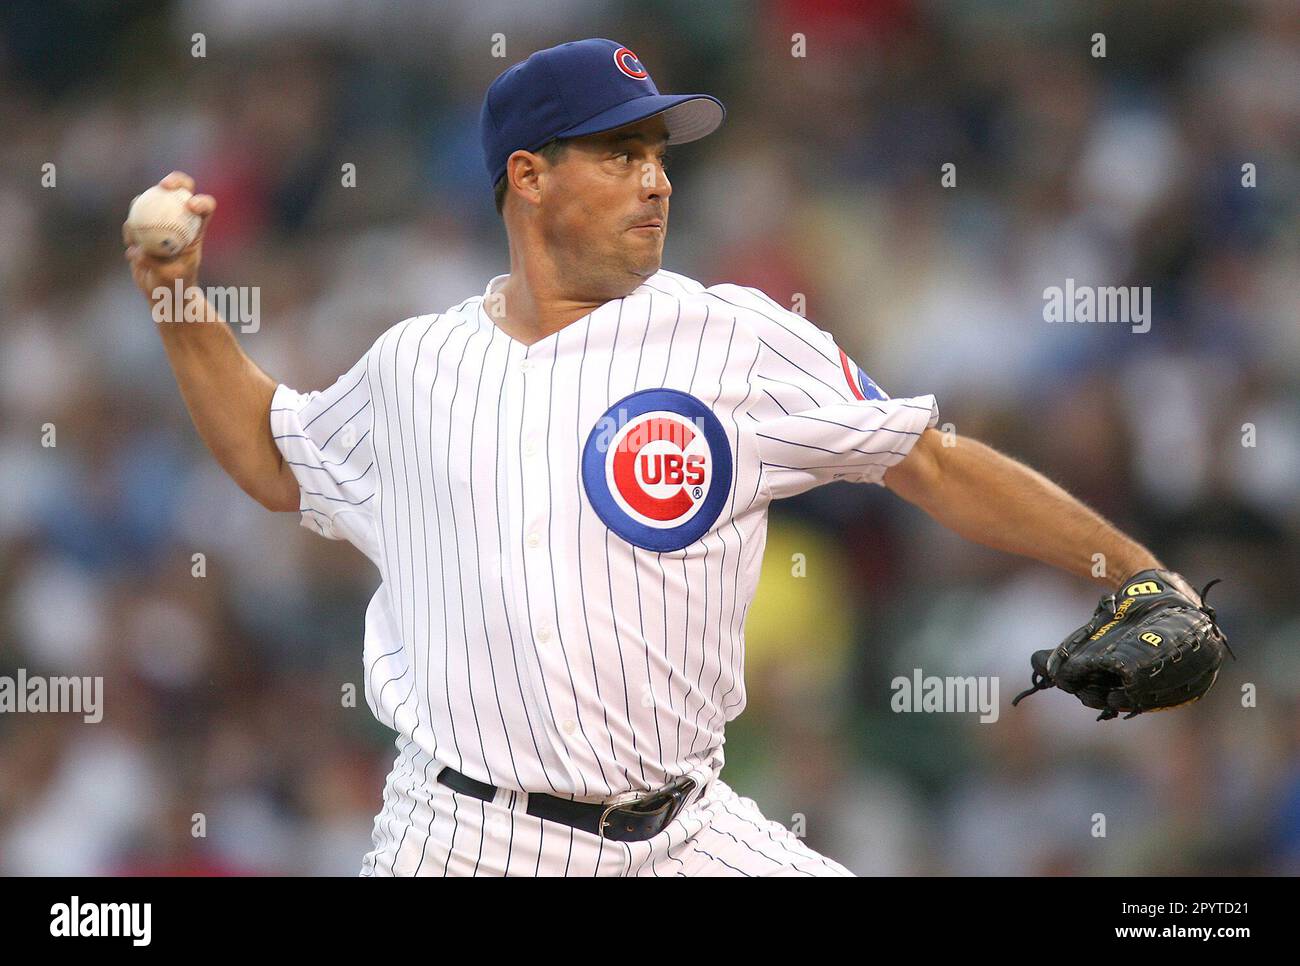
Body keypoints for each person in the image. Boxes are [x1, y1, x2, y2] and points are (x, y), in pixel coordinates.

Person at [124, 38, 1193, 876]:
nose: (656, 182)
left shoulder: (735, 336)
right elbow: (276, 455)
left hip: (688, 832)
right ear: (530, 177)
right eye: (620, 154)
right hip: (466, 839)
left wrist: (1133, 567)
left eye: (659, 156)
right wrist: (176, 297)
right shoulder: (417, 364)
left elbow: (930, 460)